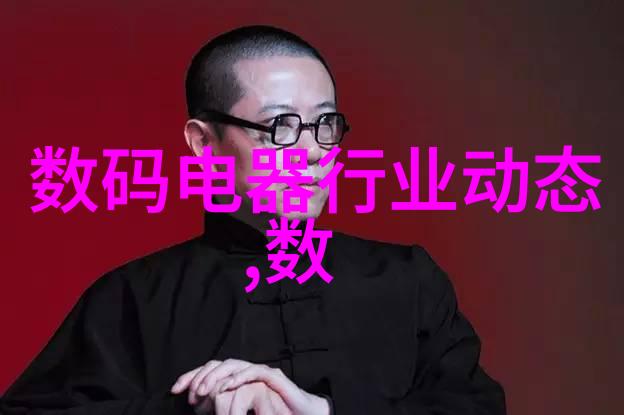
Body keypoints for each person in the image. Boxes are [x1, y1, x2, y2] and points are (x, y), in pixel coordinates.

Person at [1, 25, 506, 414]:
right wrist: (190, 409)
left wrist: (323, 412)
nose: (313, 151)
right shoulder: (132, 298)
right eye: (280, 127)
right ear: (205, 144)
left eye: (326, 124)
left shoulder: (408, 279)